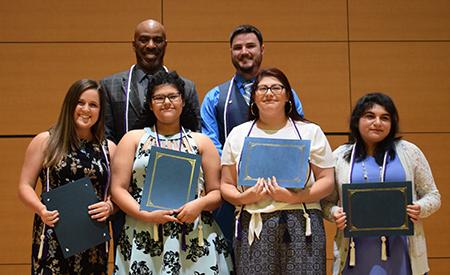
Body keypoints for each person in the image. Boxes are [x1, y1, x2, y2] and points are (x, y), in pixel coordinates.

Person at [110, 71, 232, 274]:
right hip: (144, 231)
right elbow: (118, 189)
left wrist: (199, 204)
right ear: (150, 104)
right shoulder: (133, 139)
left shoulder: (201, 141)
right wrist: (145, 215)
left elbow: (217, 192)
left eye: (173, 96)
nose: (166, 102)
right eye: (159, 98)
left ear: (183, 101)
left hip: (194, 233)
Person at [221, 67, 334, 274]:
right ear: (253, 97)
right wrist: (245, 197)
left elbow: (327, 180)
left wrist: (295, 197)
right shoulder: (238, 134)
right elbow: (226, 185)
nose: (269, 93)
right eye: (262, 88)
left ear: (288, 95)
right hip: (253, 222)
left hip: (303, 221)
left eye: (276, 87)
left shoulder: (310, 131)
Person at [100, 18, 201, 250]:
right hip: (125, 196)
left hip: (177, 193)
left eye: (157, 40)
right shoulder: (110, 85)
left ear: (166, 44)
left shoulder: (186, 87)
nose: (151, 45)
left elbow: (195, 136)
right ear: (133, 44)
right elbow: (105, 139)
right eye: (144, 39)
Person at [200, 24, 305, 248]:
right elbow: (211, 144)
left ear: (262, 49)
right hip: (234, 194)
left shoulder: (287, 94)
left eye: (250, 46)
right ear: (231, 52)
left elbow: (298, 136)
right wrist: (241, 175)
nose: (244, 51)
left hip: (282, 192)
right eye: (237, 47)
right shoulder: (214, 97)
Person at [322, 93, 441, 275]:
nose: (377, 122)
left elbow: (433, 195)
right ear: (357, 121)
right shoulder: (339, 156)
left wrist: (420, 207)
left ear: (392, 123)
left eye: (384, 118)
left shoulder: (409, 151)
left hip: (402, 250)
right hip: (355, 252)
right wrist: (334, 213)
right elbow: (325, 202)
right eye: (370, 116)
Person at [18, 79, 116, 274]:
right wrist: (41, 210)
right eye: (80, 103)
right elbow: (24, 186)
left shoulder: (109, 149)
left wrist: (110, 206)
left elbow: (117, 192)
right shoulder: (45, 141)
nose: (86, 109)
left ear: (100, 111)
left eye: (93, 105)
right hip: (53, 233)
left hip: (92, 240)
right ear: (70, 105)